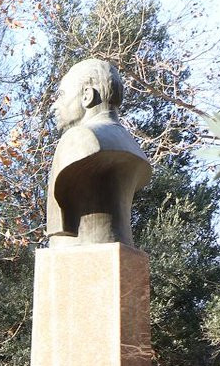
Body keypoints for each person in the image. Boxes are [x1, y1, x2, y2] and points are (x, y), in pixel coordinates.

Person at [47, 58, 150, 248]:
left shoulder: (80, 138)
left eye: (61, 95)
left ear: (87, 96)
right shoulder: (132, 145)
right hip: (120, 247)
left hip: (78, 251)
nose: (55, 105)